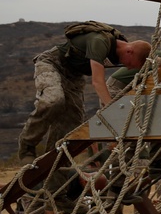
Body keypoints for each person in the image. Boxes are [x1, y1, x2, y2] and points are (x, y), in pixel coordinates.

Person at [17, 23, 151, 163]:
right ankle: (27, 146)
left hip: (74, 76)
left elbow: (156, 58)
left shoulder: (123, 52)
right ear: (130, 51)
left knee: (71, 127)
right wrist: (112, 109)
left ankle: (54, 177)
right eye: (132, 64)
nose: (129, 68)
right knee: (54, 100)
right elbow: (98, 82)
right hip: (52, 64)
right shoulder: (100, 42)